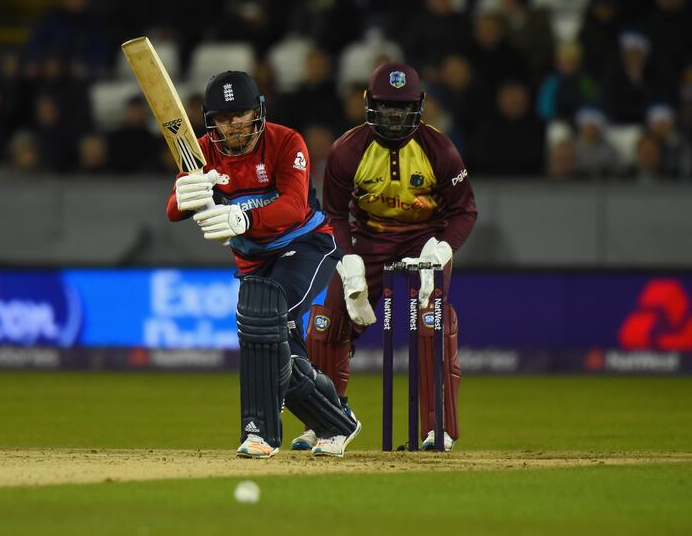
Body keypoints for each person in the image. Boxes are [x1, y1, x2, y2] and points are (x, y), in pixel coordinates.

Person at [165, 71, 360, 458]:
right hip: (254, 262)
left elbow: (292, 205)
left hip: (305, 244)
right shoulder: (200, 152)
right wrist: (184, 196)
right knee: (279, 345)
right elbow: (173, 210)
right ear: (212, 121)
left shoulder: (286, 141)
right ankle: (336, 421)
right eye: (224, 117)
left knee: (264, 319)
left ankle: (260, 434)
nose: (233, 124)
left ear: (258, 113)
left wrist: (243, 219)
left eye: (241, 115)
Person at [299, 62, 477, 452]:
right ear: (368, 104)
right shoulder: (348, 149)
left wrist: (443, 248)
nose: (394, 116)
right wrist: (347, 260)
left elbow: (464, 211)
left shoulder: (439, 148)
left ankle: (438, 428)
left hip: (424, 241)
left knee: (433, 321)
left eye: (403, 107)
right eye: (385, 106)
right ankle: (326, 421)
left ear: (420, 106)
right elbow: (332, 214)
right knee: (326, 320)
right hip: (368, 241)